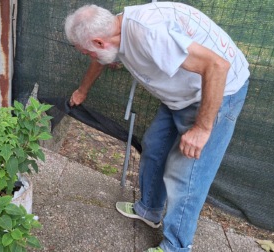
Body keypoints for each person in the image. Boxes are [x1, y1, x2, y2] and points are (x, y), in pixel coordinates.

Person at [65, 2, 249, 252]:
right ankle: (149, 210)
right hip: (180, 94)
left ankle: (177, 246)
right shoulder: (116, 29)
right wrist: (82, 89)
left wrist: (203, 129)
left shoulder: (149, 34)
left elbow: (217, 66)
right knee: (154, 146)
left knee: (188, 174)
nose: (90, 57)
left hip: (216, 91)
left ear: (99, 42)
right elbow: (100, 58)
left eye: (88, 52)